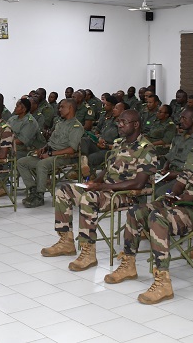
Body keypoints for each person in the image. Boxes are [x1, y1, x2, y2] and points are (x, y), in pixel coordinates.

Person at [104, 116, 193, 304]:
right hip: (185, 204)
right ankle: (128, 263)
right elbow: (181, 182)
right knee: (135, 211)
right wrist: (173, 195)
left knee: (158, 218)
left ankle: (163, 282)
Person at [41, 109, 155, 271]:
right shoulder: (119, 143)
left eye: (123, 122)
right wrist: (95, 182)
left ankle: (88, 253)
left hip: (127, 195)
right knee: (63, 190)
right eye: (119, 122)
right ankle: (66, 241)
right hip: (106, 189)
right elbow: (108, 170)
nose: (119, 125)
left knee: (89, 199)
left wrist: (102, 187)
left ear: (136, 124)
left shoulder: (146, 149)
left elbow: (138, 183)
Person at [18, 99, 84, 208]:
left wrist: (51, 154)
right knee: (22, 162)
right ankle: (33, 189)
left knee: (42, 164)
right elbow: (51, 142)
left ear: (70, 108)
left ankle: (40, 196)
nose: (59, 109)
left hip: (64, 157)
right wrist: (44, 149)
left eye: (62, 107)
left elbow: (72, 149)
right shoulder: (60, 123)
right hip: (50, 154)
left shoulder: (76, 126)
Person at [156, 106, 193, 197]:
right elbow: (169, 157)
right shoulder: (179, 137)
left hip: (185, 177)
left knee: (160, 193)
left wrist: (175, 175)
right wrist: (165, 169)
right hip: (170, 173)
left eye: (184, 118)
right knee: (149, 184)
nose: (181, 121)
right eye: (180, 117)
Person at [80, 98, 124, 175]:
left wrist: (106, 146)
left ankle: (89, 175)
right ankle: (84, 162)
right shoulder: (109, 121)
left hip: (110, 150)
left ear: (124, 111)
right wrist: (99, 138)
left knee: (91, 158)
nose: (113, 110)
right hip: (100, 145)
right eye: (114, 108)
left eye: (116, 108)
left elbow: (122, 146)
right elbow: (100, 132)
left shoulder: (123, 126)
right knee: (84, 140)